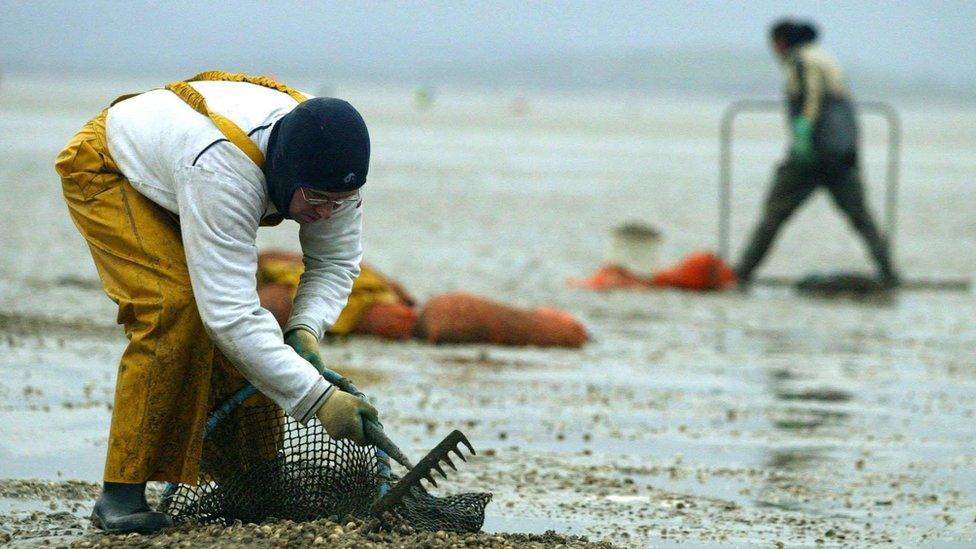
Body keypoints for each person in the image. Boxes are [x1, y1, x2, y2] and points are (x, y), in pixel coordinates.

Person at [55, 71, 380, 533]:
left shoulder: (330, 168)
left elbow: (334, 263)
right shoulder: (223, 170)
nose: (327, 212)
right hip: (111, 168)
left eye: (341, 201)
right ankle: (120, 495)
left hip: (180, 165)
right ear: (286, 169)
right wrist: (320, 400)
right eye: (319, 200)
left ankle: (250, 480)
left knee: (260, 329)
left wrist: (303, 330)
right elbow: (227, 316)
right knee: (174, 309)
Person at [735, 20, 900, 287]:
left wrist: (804, 131)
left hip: (811, 156)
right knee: (861, 217)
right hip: (841, 155)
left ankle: (742, 273)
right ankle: (890, 274)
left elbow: (812, 98)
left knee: (774, 214)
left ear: (780, 42)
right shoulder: (825, 58)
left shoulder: (801, 61)